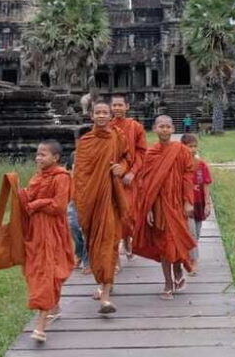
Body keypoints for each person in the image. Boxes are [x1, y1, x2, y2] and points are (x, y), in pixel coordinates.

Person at [73, 101, 130, 314]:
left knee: (109, 243)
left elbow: (127, 158)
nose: (102, 116)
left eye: (105, 112)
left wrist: (121, 168)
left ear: (110, 115)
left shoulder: (118, 136)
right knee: (95, 245)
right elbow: (80, 174)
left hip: (110, 198)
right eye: (98, 112)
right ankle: (104, 282)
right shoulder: (85, 142)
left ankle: (105, 296)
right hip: (90, 200)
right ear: (91, 116)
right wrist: (82, 199)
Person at [17, 140, 76, 344]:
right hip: (35, 231)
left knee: (47, 272)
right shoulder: (37, 176)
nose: (38, 158)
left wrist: (37, 203)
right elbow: (27, 200)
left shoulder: (62, 177)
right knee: (40, 270)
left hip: (53, 231)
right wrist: (18, 192)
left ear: (56, 157)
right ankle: (54, 307)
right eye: (37, 154)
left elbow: (59, 206)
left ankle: (41, 326)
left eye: (43, 154)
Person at [133, 115, 196, 300]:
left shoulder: (182, 151)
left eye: (168, 126)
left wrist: (188, 201)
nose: (165, 129)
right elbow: (145, 184)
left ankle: (178, 271)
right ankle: (168, 283)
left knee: (176, 241)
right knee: (163, 244)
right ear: (154, 129)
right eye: (161, 126)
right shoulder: (150, 154)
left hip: (177, 203)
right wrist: (148, 209)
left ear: (173, 129)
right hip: (159, 205)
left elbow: (188, 177)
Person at [109, 95, 147, 260]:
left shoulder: (135, 127)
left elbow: (141, 152)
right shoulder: (107, 126)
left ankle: (126, 239)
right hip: (111, 175)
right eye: (114, 105)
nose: (117, 108)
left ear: (127, 107)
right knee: (113, 214)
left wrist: (132, 172)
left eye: (120, 105)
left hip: (130, 178)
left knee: (128, 212)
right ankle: (115, 253)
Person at [181, 133, 213, 275]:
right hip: (186, 203)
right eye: (189, 146)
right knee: (192, 232)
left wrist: (207, 204)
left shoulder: (201, 165)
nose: (192, 149)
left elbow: (206, 184)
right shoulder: (179, 165)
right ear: (182, 147)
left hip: (199, 202)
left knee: (197, 233)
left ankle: (190, 254)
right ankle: (194, 261)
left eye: (195, 146)